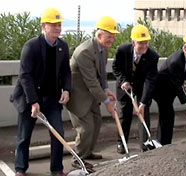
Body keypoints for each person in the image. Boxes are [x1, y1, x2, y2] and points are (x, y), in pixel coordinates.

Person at [10, 8, 71, 176]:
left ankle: (57, 169)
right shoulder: (31, 46)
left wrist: (66, 89)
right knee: (24, 136)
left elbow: (66, 71)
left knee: (58, 133)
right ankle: (20, 169)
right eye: (53, 25)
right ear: (44, 26)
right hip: (29, 97)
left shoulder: (63, 46)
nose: (57, 29)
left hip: (52, 98)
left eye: (59, 25)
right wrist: (33, 101)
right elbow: (25, 76)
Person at [65, 16, 118, 168]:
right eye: (109, 36)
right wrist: (107, 102)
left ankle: (87, 152)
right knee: (86, 127)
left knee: (97, 121)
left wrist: (106, 89)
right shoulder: (85, 52)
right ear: (100, 35)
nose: (112, 40)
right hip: (78, 96)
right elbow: (91, 82)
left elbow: (101, 74)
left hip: (91, 95)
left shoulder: (103, 49)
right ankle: (78, 159)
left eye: (113, 37)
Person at [112, 24, 159, 153]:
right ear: (133, 42)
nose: (144, 46)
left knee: (143, 113)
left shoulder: (152, 56)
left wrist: (143, 102)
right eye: (141, 43)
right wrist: (123, 80)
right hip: (124, 87)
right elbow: (116, 68)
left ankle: (145, 144)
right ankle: (121, 143)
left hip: (141, 87)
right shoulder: (122, 50)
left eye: (146, 42)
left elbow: (150, 80)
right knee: (124, 115)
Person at [154, 31, 186, 145]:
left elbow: (178, 79)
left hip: (170, 89)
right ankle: (163, 143)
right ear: (185, 48)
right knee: (167, 116)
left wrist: (183, 82)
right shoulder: (176, 60)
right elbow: (176, 84)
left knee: (168, 116)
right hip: (162, 91)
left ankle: (164, 142)